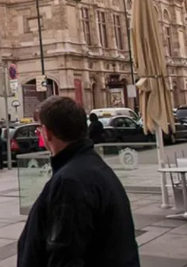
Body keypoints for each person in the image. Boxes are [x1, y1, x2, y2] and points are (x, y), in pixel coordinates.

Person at [17, 96, 139, 267]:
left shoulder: (71, 181)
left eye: (39, 130)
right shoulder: (90, 167)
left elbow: (65, 254)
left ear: (47, 133)